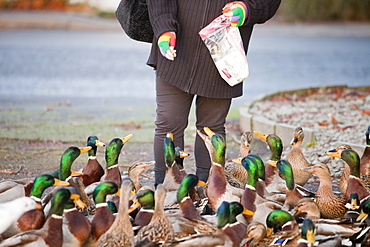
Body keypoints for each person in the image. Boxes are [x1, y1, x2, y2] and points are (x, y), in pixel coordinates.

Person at [146, 0, 281, 187]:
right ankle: (165, 187)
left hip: (224, 53)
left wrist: (247, 8)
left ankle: (209, 190)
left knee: (211, 129)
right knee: (169, 122)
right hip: (175, 47)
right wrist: (163, 27)